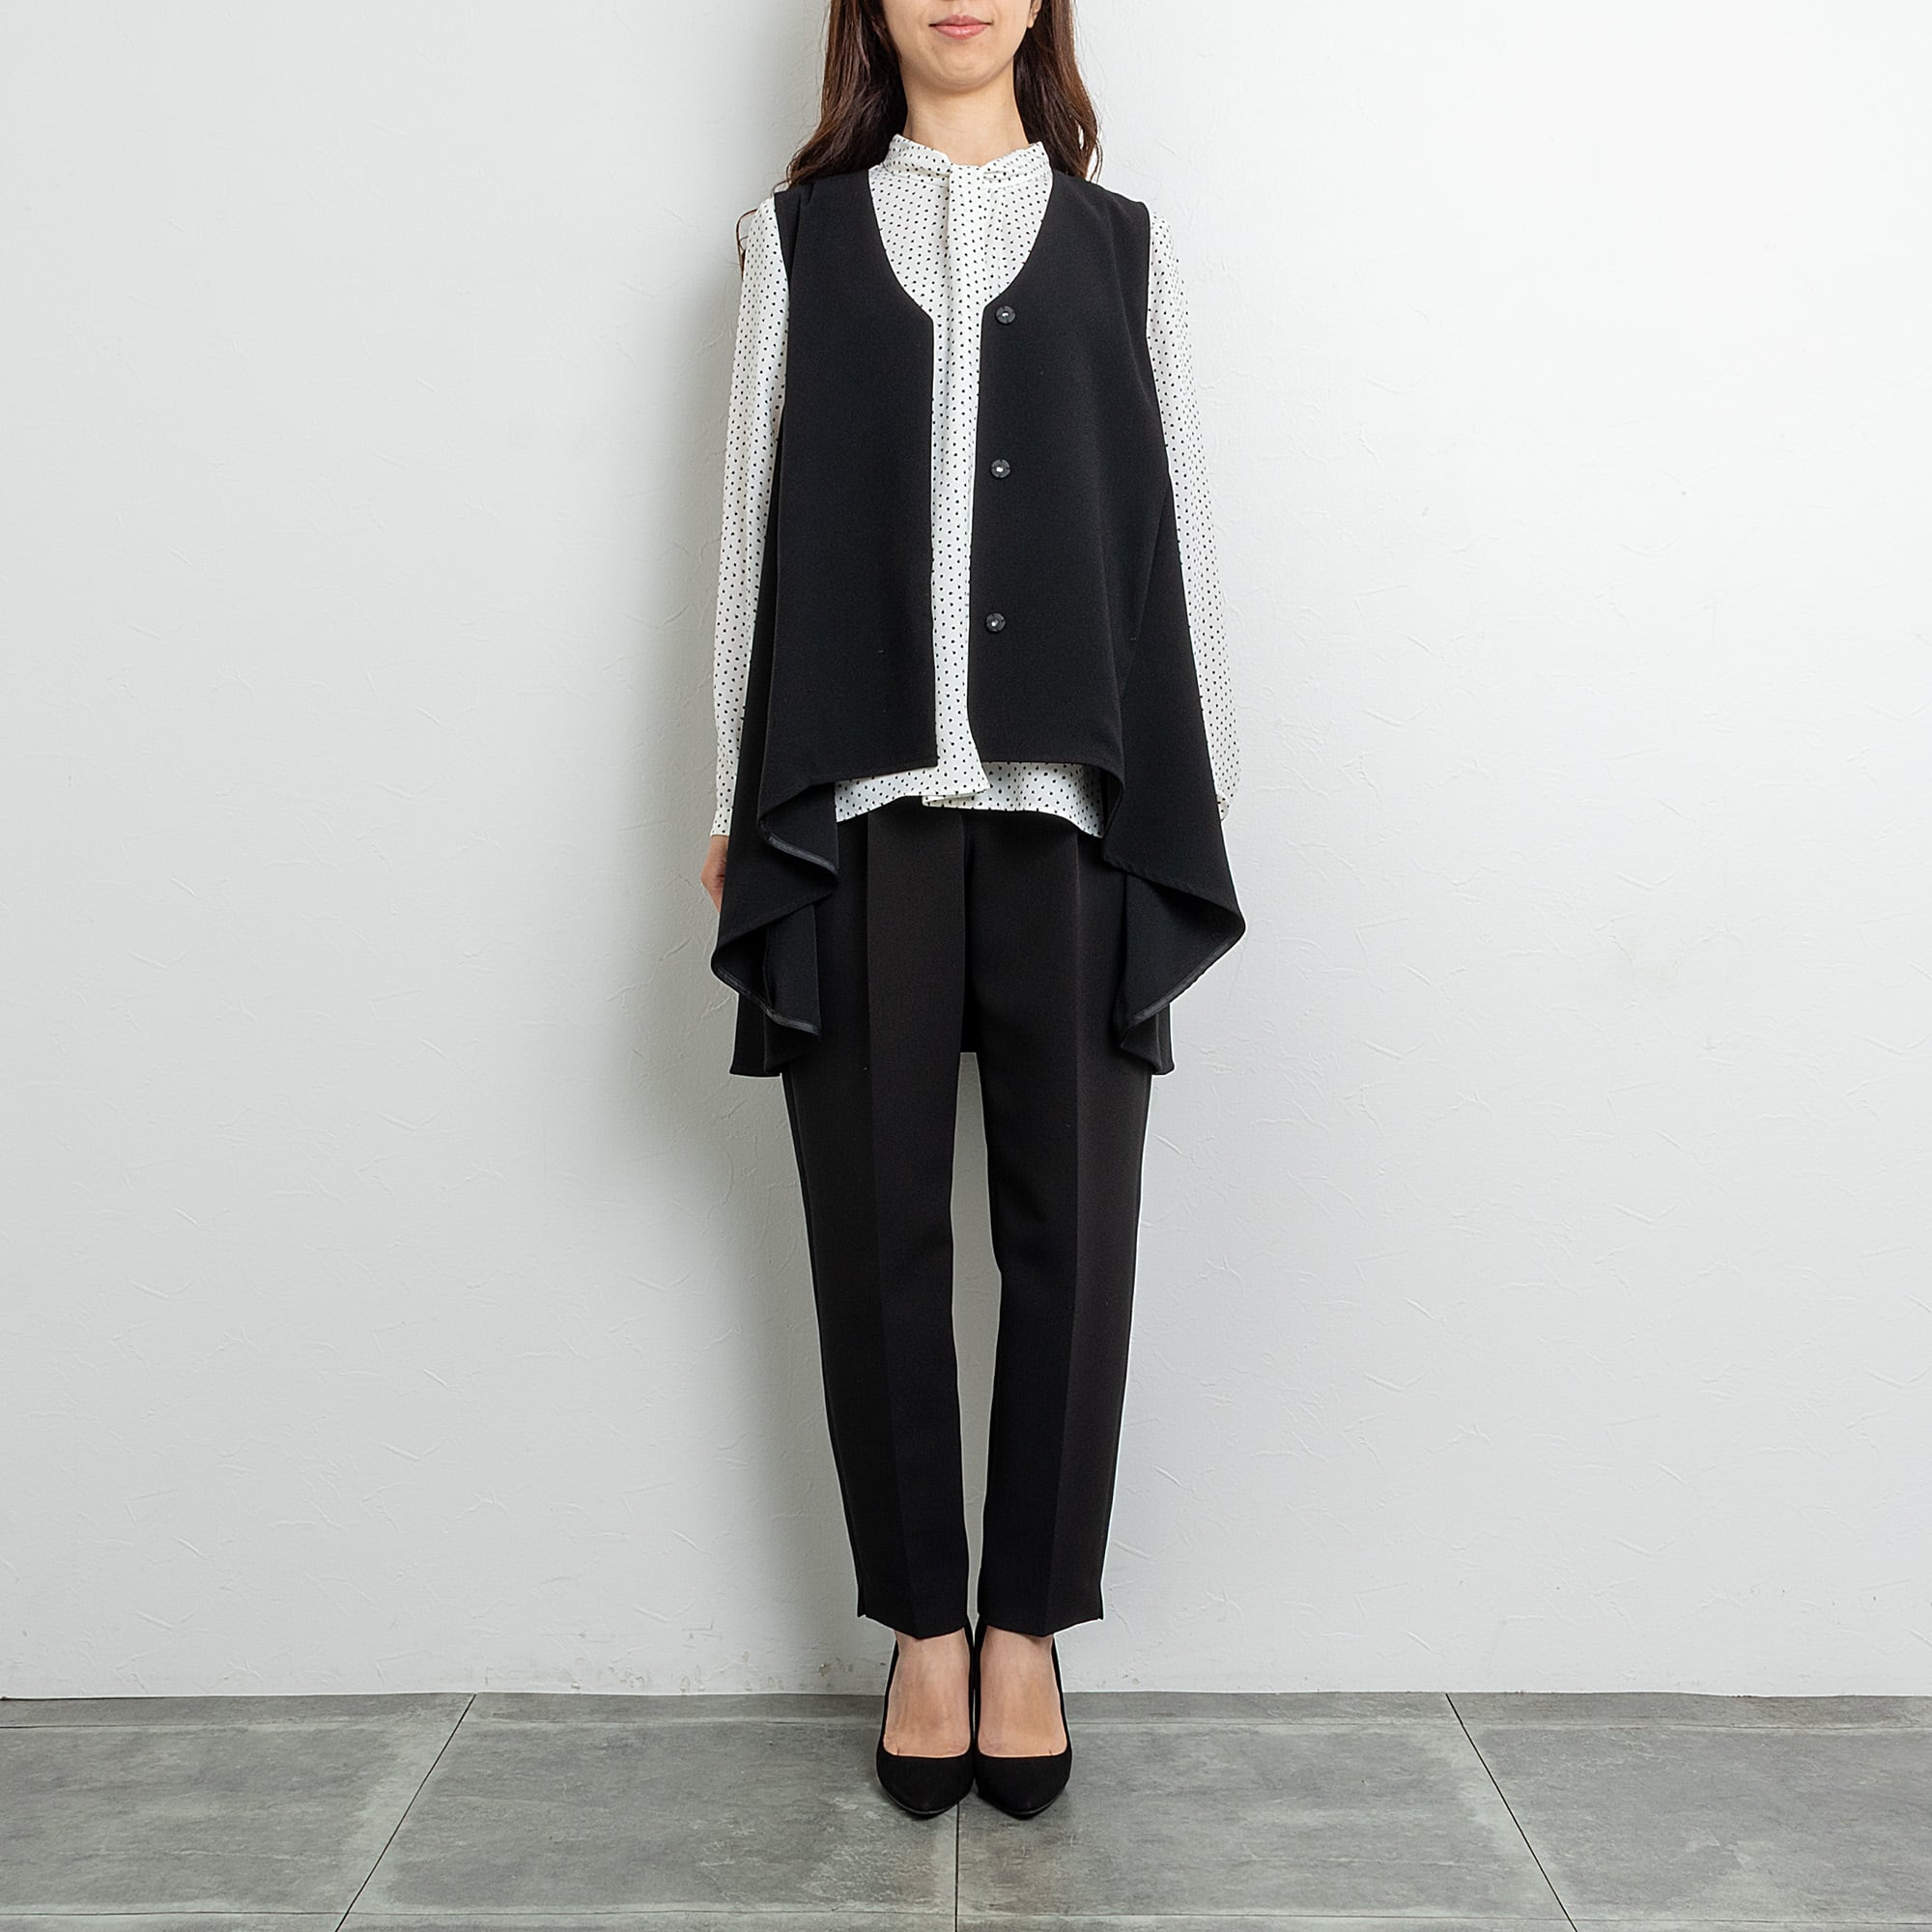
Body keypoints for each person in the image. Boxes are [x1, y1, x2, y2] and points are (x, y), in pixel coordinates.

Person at [698, 0, 1243, 1818]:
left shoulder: (1125, 247)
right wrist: (731, 802)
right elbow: (745, 529)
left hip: (1072, 812)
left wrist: (1201, 793)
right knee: (874, 1234)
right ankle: (924, 1629)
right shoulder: (792, 242)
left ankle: (1030, 1628)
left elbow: (1179, 530)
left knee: (1074, 1233)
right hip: (854, 815)